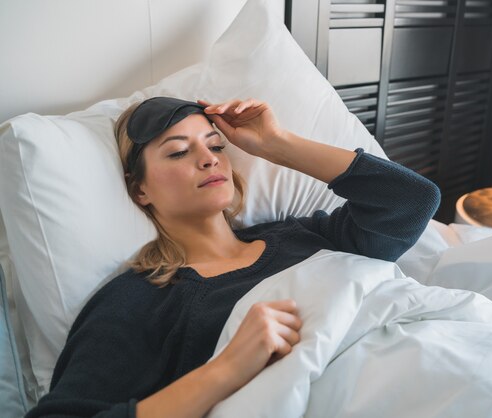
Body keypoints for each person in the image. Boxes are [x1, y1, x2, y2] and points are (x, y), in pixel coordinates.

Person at [26, 96, 441, 418]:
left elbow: (412, 201)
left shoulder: (301, 234)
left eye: (215, 144)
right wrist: (226, 369)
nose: (208, 158)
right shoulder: (139, 299)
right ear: (140, 191)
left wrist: (277, 145)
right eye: (177, 152)